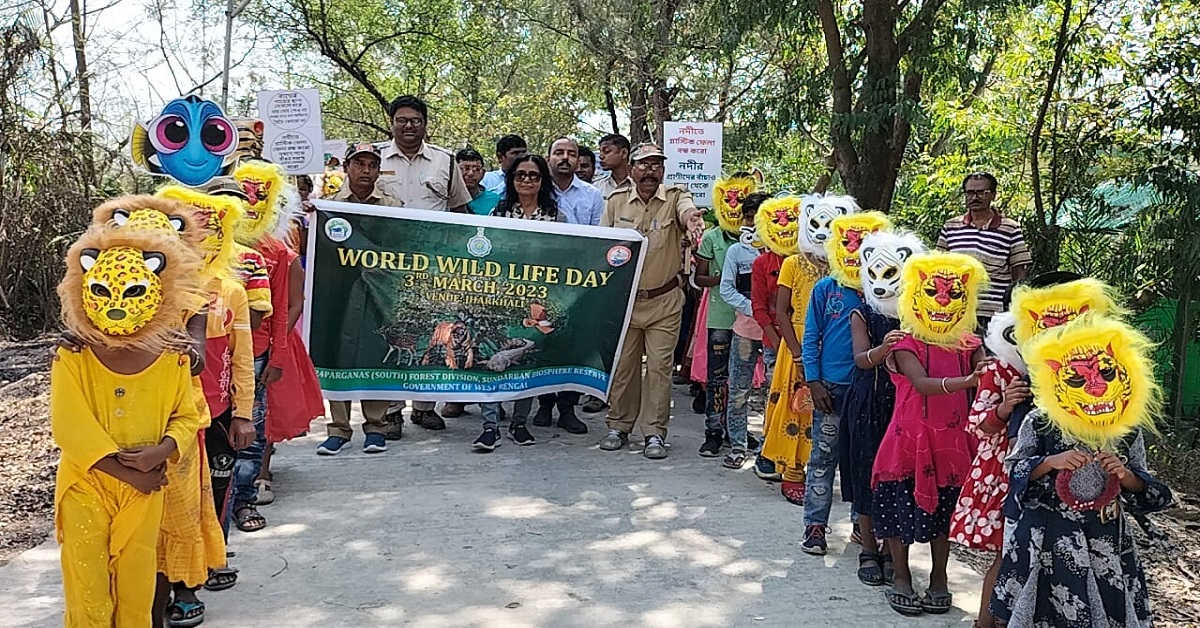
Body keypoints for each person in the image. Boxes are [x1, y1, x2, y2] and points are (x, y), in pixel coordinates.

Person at [52, 224, 202, 627]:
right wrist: (129, 474)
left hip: (146, 489)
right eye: (103, 292)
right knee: (87, 582)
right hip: (86, 485)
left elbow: (187, 416)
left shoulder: (172, 358)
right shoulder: (73, 357)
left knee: (136, 580)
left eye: (133, 292)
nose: (117, 305)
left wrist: (164, 450)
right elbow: (69, 426)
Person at [992, 315, 1171, 628]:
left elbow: (1144, 487)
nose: (1095, 386)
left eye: (1106, 373)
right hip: (1048, 536)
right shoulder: (1040, 421)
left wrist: (1124, 475)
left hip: (1106, 537)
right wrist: (1050, 462)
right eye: (1077, 379)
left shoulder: (1126, 428)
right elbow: (1015, 471)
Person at [871, 251, 988, 617]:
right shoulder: (904, 342)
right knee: (899, 510)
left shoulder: (970, 343)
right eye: (933, 292)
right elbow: (921, 383)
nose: (943, 301)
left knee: (945, 514)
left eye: (953, 294)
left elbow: (986, 375)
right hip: (909, 439)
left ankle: (940, 577)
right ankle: (901, 576)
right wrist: (968, 380)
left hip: (952, 443)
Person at [598, 143, 702, 459]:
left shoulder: (675, 197)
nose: (650, 171)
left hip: (664, 301)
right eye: (643, 164)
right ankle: (619, 426)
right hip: (625, 303)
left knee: (659, 369)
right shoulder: (615, 202)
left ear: (663, 171)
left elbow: (687, 210)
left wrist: (693, 219)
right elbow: (601, 247)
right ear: (631, 169)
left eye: (656, 165)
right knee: (624, 367)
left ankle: (654, 433)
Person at [378, 95, 474, 424]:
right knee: (392, 331)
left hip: (432, 267)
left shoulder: (445, 161)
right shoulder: (373, 157)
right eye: (402, 120)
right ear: (392, 123)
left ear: (425, 124)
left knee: (430, 331)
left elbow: (459, 211)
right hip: (385, 265)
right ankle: (390, 413)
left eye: (415, 120)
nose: (409, 126)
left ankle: (424, 407)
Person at [839, 230, 925, 587]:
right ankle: (868, 549)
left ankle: (893, 551)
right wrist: (883, 349)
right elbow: (860, 359)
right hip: (868, 401)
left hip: (904, 407)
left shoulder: (918, 316)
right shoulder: (861, 313)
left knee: (899, 478)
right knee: (865, 474)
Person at [473, 155, 569, 450]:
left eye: (534, 175)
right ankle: (490, 426)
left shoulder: (557, 218)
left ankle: (519, 423)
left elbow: (565, 259)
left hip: (537, 303)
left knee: (526, 359)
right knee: (492, 358)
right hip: (499, 299)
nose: (527, 180)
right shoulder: (498, 213)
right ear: (511, 179)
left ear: (543, 181)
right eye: (520, 175)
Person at [320, 143, 406, 452]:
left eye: (372, 165)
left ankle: (376, 427)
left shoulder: (393, 206)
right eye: (359, 164)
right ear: (347, 167)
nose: (366, 170)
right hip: (338, 290)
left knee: (375, 348)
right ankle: (339, 429)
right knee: (337, 351)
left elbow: (401, 247)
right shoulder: (327, 206)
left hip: (379, 290)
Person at [758, 195, 820, 496]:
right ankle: (792, 473)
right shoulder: (793, 263)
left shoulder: (839, 267)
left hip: (830, 343)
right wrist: (797, 352)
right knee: (796, 405)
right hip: (797, 343)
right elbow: (781, 312)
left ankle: (816, 471)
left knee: (822, 407)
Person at [717, 195, 773, 469]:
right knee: (740, 389)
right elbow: (726, 288)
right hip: (746, 329)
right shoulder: (737, 252)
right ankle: (738, 445)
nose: (752, 223)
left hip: (775, 333)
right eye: (749, 218)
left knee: (774, 391)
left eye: (758, 217)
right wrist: (755, 309)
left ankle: (769, 448)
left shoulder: (782, 252)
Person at [692, 186, 748, 457]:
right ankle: (713, 432)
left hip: (749, 320)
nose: (734, 206)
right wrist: (726, 279)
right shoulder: (712, 237)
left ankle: (737, 431)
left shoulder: (760, 240)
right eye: (729, 200)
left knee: (742, 381)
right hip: (720, 318)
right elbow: (699, 278)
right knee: (716, 378)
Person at [936, 172, 1032, 325]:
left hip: (994, 313)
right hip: (956, 310)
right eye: (970, 193)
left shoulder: (1009, 228)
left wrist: (1016, 305)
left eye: (982, 192)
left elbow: (1019, 271)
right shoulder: (951, 226)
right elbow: (938, 266)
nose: (975, 197)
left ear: (993, 195)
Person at [457, 147, 501, 216]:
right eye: (465, 168)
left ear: (483, 173)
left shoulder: (496, 201)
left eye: (476, 169)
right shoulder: (445, 198)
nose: (471, 173)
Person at [594, 133, 632, 199]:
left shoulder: (641, 184)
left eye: (606, 151)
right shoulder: (597, 187)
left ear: (624, 153)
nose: (601, 156)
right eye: (600, 151)